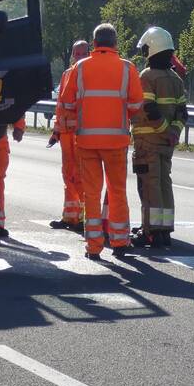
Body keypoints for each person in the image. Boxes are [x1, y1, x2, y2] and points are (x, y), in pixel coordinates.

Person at [59, 23, 144, 260]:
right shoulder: (128, 68)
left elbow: (66, 103)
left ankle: (93, 246)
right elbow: (136, 105)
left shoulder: (79, 68)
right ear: (115, 43)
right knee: (117, 192)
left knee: (91, 194)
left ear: (94, 44)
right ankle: (119, 242)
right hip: (116, 141)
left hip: (86, 141)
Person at [131, 26, 188, 247]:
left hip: (148, 142)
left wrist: (164, 129)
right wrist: (173, 132)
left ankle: (151, 232)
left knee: (149, 186)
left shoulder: (147, 76)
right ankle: (164, 230)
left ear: (152, 49)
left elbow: (148, 108)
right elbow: (183, 112)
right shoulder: (175, 79)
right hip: (166, 144)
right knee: (165, 184)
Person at [48, 40, 91, 232]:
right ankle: (70, 217)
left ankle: (83, 218)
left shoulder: (90, 75)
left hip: (81, 134)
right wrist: (56, 131)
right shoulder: (66, 75)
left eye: (83, 53)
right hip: (66, 134)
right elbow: (60, 107)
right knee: (68, 175)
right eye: (77, 53)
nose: (79, 57)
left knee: (81, 176)